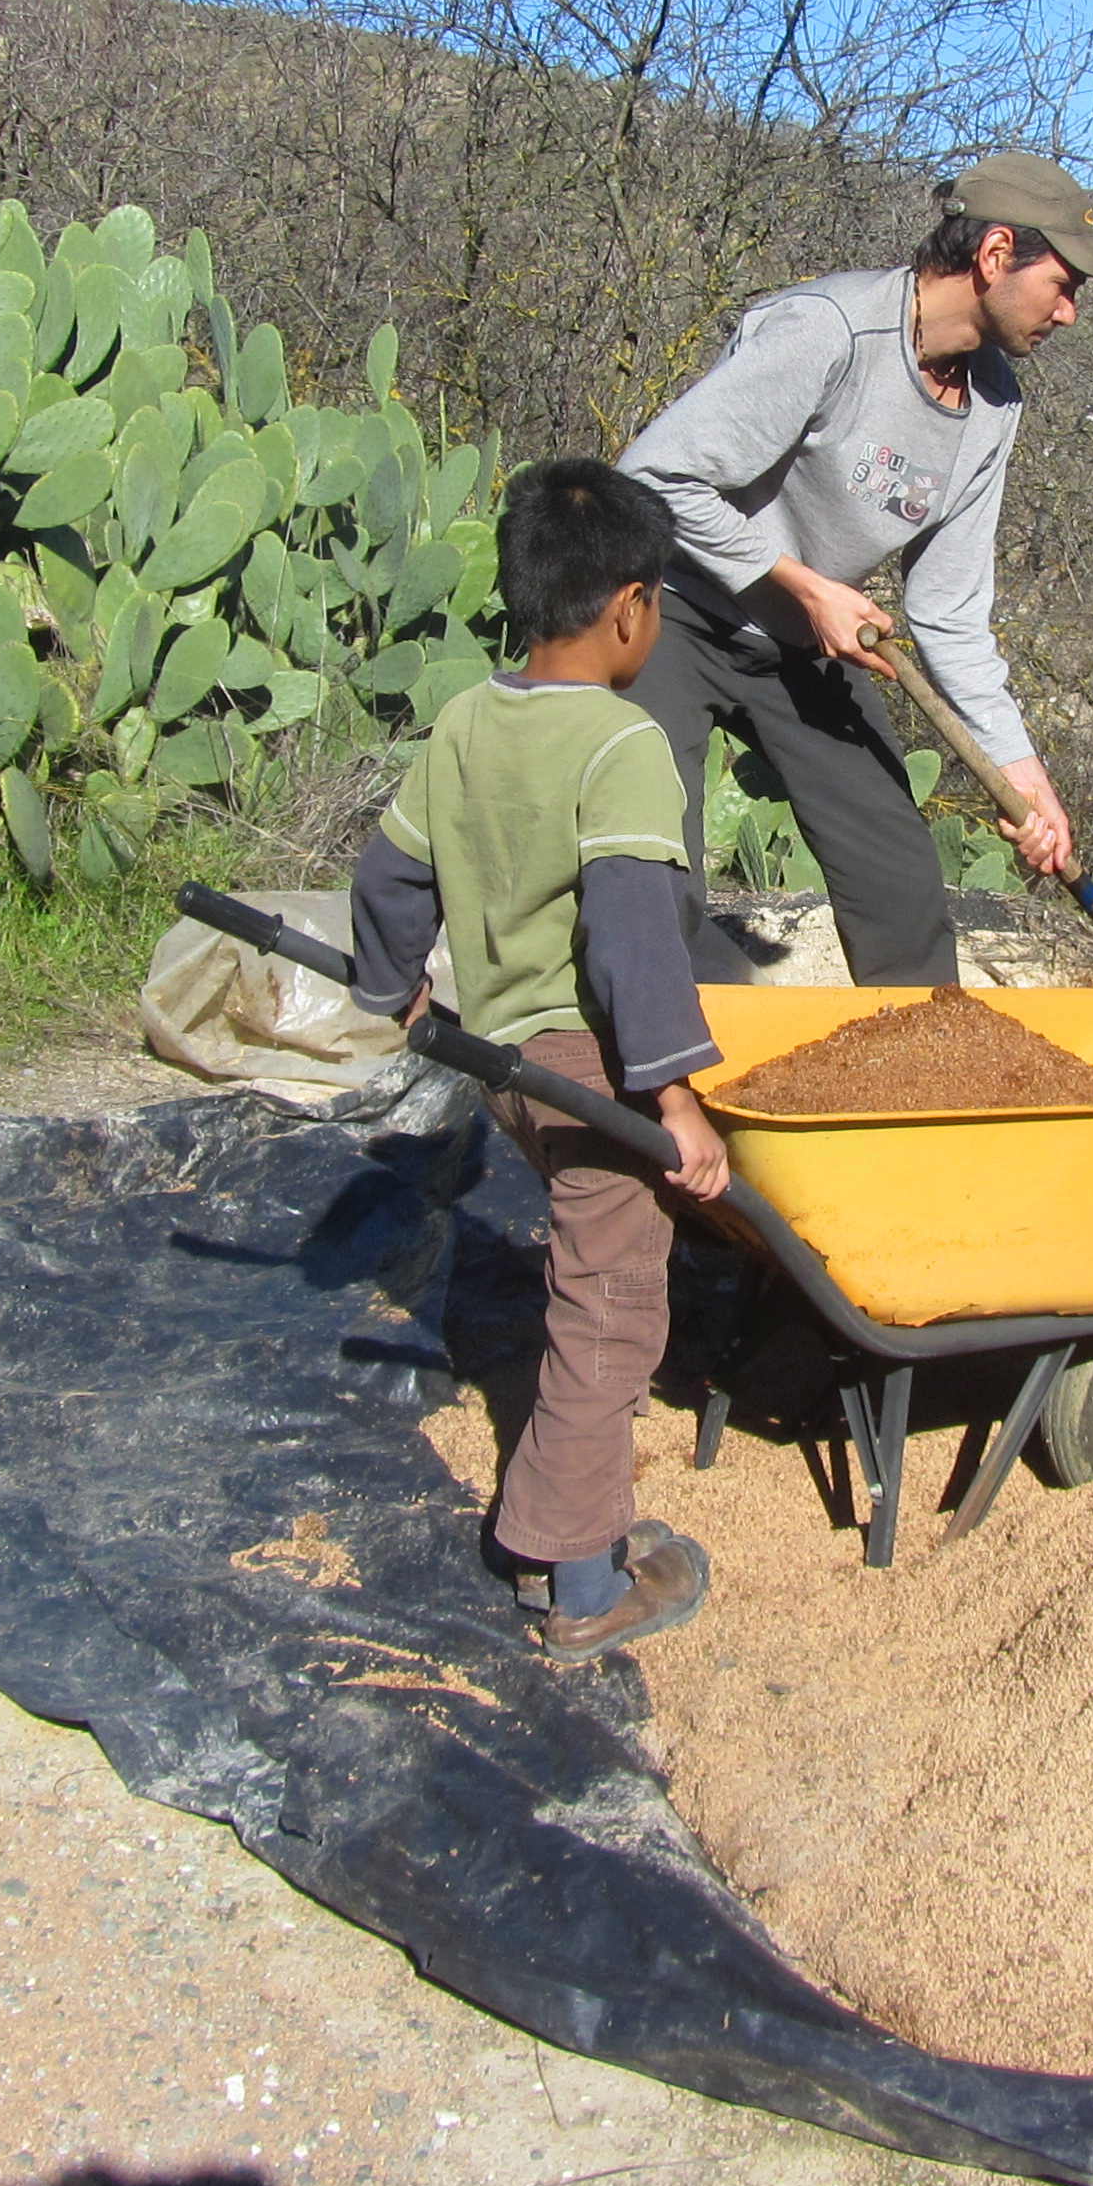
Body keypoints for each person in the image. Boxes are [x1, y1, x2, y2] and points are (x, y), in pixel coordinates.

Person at [346, 459, 730, 1666]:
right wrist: (676, 1100)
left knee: (584, 1275)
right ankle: (579, 1582)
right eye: (658, 603)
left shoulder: (466, 718)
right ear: (630, 607)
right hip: (589, 1064)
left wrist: (390, 983)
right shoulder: (622, 744)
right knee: (609, 1301)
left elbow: (389, 874)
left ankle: (579, 1524)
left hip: (505, 1058)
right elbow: (629, 937)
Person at [617, 151, 1093, 988]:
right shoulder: (830, 330)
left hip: (807, 644)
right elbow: (649, 476)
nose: (1071, 313)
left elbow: (951, 613)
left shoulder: (995, 403)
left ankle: (924, 1085)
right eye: (1065, 284)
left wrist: (1022, 771)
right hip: (669, 614)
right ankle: (689, 1085)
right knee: (650, 879)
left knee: (899, 886)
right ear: (996, 255)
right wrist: (800, 580)